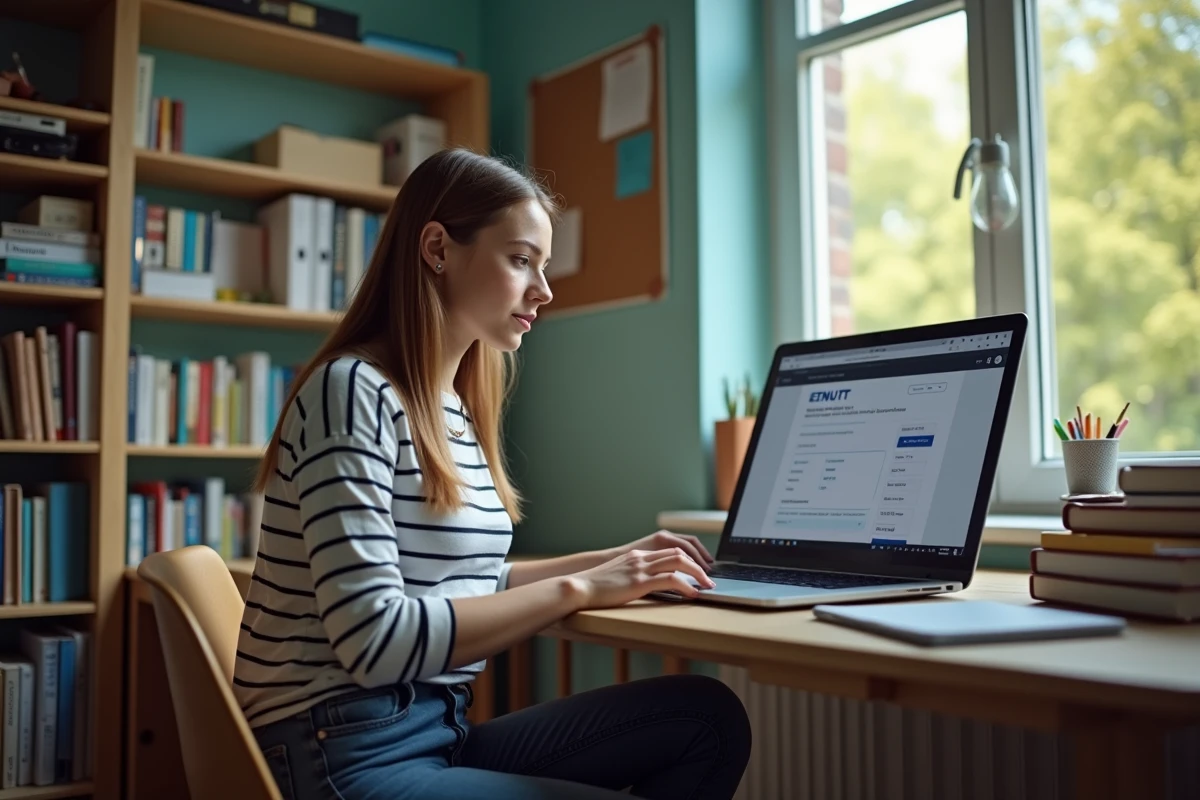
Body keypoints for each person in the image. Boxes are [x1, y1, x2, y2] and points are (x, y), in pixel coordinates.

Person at [235, 148, 752, 800]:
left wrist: (623, 562)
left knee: (706, 719)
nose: (545, 289)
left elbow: (472, 583)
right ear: (437, 249)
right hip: (342, 753)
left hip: (431, 730)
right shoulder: (353, 391)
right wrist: (584, 587)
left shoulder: (450, 405)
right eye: (521, 259)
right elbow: (375, 640)